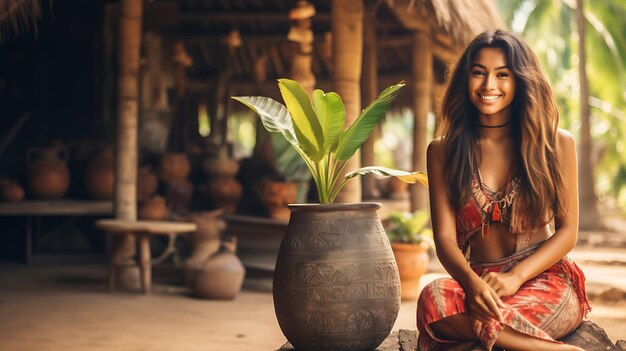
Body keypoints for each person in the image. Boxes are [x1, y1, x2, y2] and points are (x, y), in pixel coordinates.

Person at [417, 30, 591, 351]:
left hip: (543, 281)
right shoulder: (443, 151)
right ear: (465, 79)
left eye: (502, 75)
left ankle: (495, 341)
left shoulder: (553, 143)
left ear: (520, 80)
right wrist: (472, 285)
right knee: (433, 298)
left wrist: (515, 277)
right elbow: (443, 239)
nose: (488, 86)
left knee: (485, 320)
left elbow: (568, 233)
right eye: (478, 73)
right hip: (479, 282)